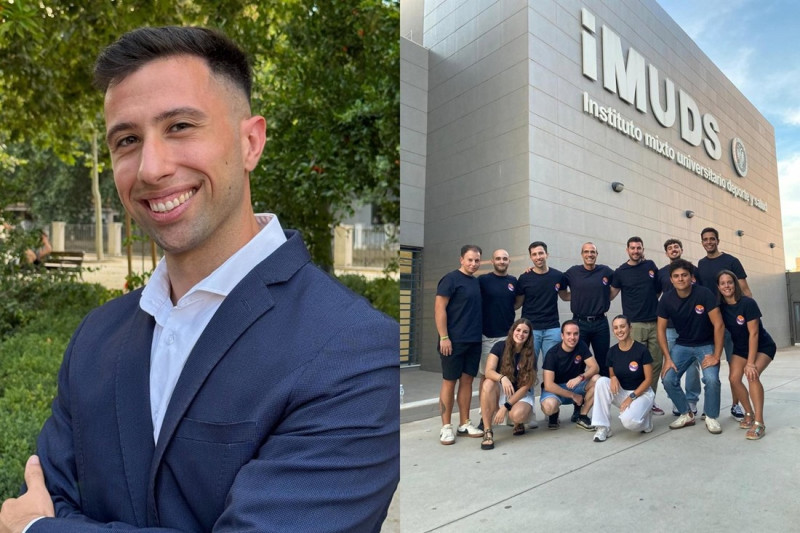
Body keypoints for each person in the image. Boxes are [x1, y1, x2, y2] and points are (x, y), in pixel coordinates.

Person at [0, 26, 399, 533]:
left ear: (251, 141)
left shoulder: (356, 351)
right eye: (126, 140)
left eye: (181, 126)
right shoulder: (95, 338)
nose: (151, 167)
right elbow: (50, 492)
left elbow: (38, 517)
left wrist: (37, 531)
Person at [657, 259, 725, 434]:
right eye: (676, 276)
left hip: (706, 345)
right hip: (682, 345)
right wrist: (667, 359)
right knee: (668, 378)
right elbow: (660, 330)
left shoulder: (704, 294)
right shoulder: (667, 299)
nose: (680, 279)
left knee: (711, 379)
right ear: (671, 280)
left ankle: (711, 416)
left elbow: (718, 325)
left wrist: (716, 355)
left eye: (684, 275)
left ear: (691, 277)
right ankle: (686, 413)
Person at [696, 227, 751, 420]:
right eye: (705, 239)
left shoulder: (731, 261)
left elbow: (745, 290)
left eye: (712, 239)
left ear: (718, 240)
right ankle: (710, 406)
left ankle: (736, 405)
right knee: (710, 368)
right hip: (710, 324)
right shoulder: (701, 264)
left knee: (735, 368)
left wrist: (748, 319)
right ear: (702, 242)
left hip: (732, 324)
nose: (709, 242)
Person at [717, 270, 776, 440]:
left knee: (752, 375)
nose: (727, 286)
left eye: (730, 282)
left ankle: (759, 423)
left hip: (763, 346)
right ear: (719, 287)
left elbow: (754, 334)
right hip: (741, 348)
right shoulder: (721, 307)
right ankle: (748, 413)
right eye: (723, 283)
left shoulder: (748, 303)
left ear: (735, 284)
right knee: (734, 379)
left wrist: (750, 363)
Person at [609, 237, 665, 416]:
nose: (635, 251)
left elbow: (657, 289)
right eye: (632, 248)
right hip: (635, 324)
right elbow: (611, 294)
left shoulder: (650, 265)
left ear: (642, 249)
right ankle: (636, 399)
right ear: (627, 250)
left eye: (638, 248)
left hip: (655, 322)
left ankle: (650, 400)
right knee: (637, 365)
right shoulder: (621, 272)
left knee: (655, 364)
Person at [435, 244, 484, 444]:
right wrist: (444, 337)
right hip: (452, 342)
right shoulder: (450, 279)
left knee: (467, 382)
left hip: (473, 340)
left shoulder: (476, 282)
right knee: (449, 381)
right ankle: (446, 427)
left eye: (477, 260)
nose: (473, 263)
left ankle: (464, 423)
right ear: (461, 259)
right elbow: (439, 309)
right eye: (470, 259)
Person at [591, 315, 656, 442]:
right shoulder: (611, 352)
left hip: (642, 394)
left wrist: (631, 397)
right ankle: (603, 427)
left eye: (622, 326)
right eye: (615, 328)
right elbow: (612, 374)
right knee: (601, 382)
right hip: (623, 392)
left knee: (629, 423)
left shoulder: (641, 350)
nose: (619, 330)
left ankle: (647, 422)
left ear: (630, 328)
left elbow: (649, 379)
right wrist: (613, 377)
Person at [658, 238, 701, 417]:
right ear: (666, 253)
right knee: (671, 364)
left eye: (676, 247)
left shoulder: (693, 270)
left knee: (692, 366)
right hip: (670, 327)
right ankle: (678, 401)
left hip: (691, 327)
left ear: (682, 249)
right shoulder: (661, 273)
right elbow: (656, 296)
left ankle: (691, 399)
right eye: (670, 248)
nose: (673, 249)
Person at [479, 319, 537, 450]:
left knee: (518, 415)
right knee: (488, 383)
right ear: (512, 331)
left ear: (529, 336)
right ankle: (488, 431)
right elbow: (488, 371)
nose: (521, 334)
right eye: (518, 330)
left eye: (525, 332)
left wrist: (505, 407)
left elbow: (526, 386)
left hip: (519, 393)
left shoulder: (530, 354)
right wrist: (502, 378)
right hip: (502, 390)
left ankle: (517, 422)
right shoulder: (500, 346)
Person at [477, 249, 519, 430]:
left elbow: (517, 302)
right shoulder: (483, 281)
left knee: (510, 375)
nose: (502, 261)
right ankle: (484, 415)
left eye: (505, 259)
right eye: (498, 258)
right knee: (487, 376)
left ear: (509, 261)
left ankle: (510, 414)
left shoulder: (513, 282)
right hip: (488, 336)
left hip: (508, 336)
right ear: (492, 261)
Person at [561, 242, 614, 380]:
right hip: (579, 323)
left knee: (603, 360)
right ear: (582, 254)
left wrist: (605, 298)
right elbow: (558, 283)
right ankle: (579, 399)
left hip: (600, 322)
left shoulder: (606, 271)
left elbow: (620, 281)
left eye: (592, 252)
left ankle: (603, 396)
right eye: (586, 252)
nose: (589, 254)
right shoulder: (572, 272)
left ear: (597, 254)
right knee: (578, 360)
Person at [514, 241, 567, 369]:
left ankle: (549, 390)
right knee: (528, 366)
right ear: (531, 257)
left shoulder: (558, 276)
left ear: (547, 254)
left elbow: (565, 296)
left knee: (552, 366)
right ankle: (528, 390)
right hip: (531, 329)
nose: (538, 257)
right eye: (534, 254)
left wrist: (588, 293)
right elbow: (518, 304)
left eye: (541, 253)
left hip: (552, 328)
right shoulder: (524, 278)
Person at [540, 320, 599, 431]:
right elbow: (548, 385)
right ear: (562, 335)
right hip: (556, 389)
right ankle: (554, 414)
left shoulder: (581, 345)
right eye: (568, 334)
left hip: (575, 386)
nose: (572, 337)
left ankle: (582, 415)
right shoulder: (552, 354)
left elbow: (595, 367)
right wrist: (572, 396)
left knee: (598, 380)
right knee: (549, 407)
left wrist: (581, 377)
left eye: (575, 334)